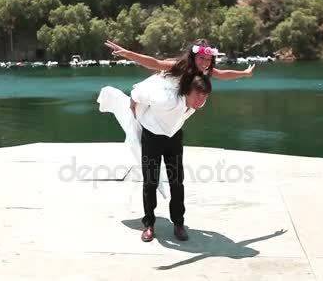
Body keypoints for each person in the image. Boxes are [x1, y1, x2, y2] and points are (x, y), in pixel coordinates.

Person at [97, 72, 212, 242]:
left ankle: (178, 223)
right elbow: (137, 94)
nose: (200, 102)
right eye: (198, 96)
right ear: (187, 91)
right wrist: (133, 107)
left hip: (173, 136)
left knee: (177, 181)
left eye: (205, 98)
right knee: (150, 181)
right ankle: (149, 224)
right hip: (152, 136)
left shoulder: (197, 102)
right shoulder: (166, 98)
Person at [105, 39, 255, 80]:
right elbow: (154, 63)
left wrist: (244, 73)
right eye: (202, 58)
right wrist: (128, 53)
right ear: (193, 57)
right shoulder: (181, 65)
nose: (205, 63)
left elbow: (222, 74)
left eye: (209, 59)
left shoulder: (206, 69)